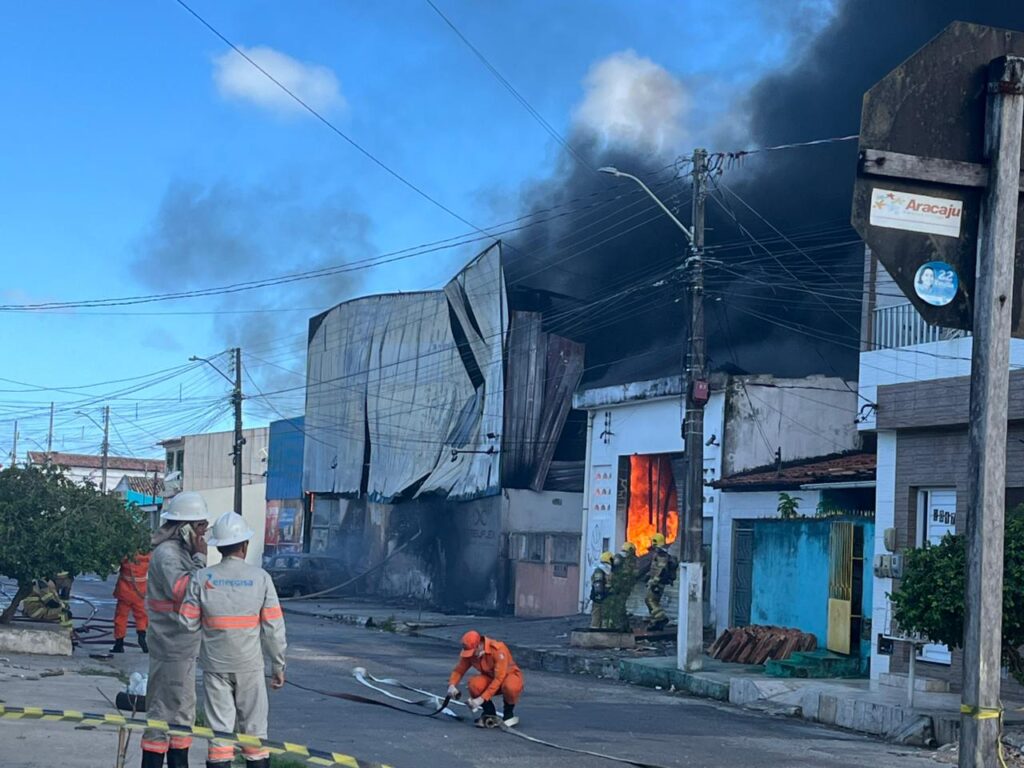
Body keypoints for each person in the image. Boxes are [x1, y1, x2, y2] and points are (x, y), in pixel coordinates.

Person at [178, 512, 287, 768]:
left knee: (220, 736)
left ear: (219, 547)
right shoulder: (261, 579)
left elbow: (187, 622)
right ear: (245, 545)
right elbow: (274, 628)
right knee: (255, 733)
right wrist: (278, 666)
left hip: (215, 666)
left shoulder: (202, 579)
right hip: (250, 667)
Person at [142, 492, 209, 768]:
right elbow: (185, 591)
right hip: (170, 642)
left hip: (182, 643)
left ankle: (179, 761)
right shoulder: (168, 553)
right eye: (200, 525)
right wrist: (201, 559)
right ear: (185, 526)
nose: (203, 531)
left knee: (182, 711)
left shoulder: (180, 551)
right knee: (162, 711)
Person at [447, 630, 523, 728]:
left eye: (472, 652)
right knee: (474, 685)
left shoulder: (498, 649)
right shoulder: (470, 652)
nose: (471, 655)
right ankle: (489, 712)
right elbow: (459, 670)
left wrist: (480, 699)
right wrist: (452, 685)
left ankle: (508, 712)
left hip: (508, 676)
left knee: (511, 686)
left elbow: (499, 678)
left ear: (479, 645)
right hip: (491, 678)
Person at [112, 550, 152, 653]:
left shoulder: (125, 555)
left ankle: (119, 644)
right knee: (141, 616)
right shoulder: (148, 556)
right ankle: (142, 636)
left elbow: (115, 569)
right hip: (140, 592)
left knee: (121, 617)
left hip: (124, 591)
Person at [645, 533, 678, 631]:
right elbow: (655, 568)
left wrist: (654, 581)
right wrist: (648, 576)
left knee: (650, 600)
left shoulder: (661, 554)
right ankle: (656, 622)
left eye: (654, 542)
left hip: (658, 583)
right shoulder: (660, 553)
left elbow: (661, 569)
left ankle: (661, 618)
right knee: (653, 601)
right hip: (657, 581)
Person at [606, 541, 638, 632]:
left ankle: (621, 627)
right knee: (618, 606)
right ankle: (620, 626)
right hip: (620, 587)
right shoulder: (629, 560)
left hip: (621, 588)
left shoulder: (629, 560)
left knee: (619, 606)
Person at [589, 551, 613, 629]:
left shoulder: (603, 570)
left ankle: (599, 632)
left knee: (601, 616)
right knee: (599, 616)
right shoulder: (602, 570)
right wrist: (600, 596)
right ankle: (598, 633)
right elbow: (598, 584)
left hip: (603, 597)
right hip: (601, 597)